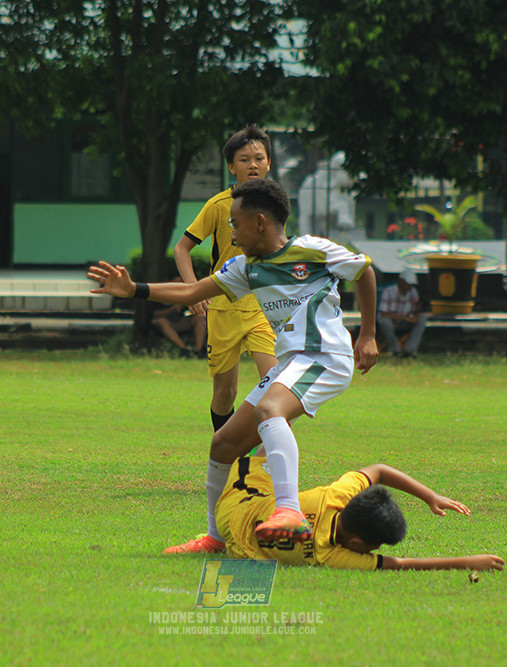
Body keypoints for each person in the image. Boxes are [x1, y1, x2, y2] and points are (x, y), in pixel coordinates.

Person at [89, 178, 379, 553]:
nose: (231, 232)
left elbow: (365, 271)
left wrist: (368, 334)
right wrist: (135, 290)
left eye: (235, 223)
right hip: (293, 362)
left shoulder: (312, 250)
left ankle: (288, 511)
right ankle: (215, 536)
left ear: (260, 222)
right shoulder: (245, 268)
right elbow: (193, 292)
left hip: (325, 357)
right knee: (223, 443)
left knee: (269, 410)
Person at [217, 453, 506, 572]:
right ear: (356, 543)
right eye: (374, 546)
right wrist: (466, 561)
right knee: (269, 431)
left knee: (273, 433)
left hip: (240, 504)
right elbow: (400, 564)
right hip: (237, 531)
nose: (374, 550)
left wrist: (430, 496)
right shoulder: (327, 553)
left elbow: (378, 470)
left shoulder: (337, 496)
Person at [173, 125, 277, 434]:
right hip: (223, 310)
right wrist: (193, 291)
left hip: (264, 308)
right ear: (231, 167)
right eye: (244, 159)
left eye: (259, 158)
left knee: (274, 385)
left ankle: (264, 460)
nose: (253, 165)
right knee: (224, 394)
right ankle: (225, 456)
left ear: (269, 163)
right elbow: (182, 249)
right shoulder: (218, 206)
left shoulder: (276, 204)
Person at [375, 270, 428, 358]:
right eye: (407, 284)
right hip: (392, 323)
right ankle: (395, 350)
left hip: (405, 323)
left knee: (422, 319)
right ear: (401, 281)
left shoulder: (413, 292)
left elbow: (414, 311)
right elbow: (383, 313)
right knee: (384, 321)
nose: (409, 287)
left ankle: (410, 350)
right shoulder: (388, 291)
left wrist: (416, 313)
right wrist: (406, 319)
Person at [151, 279, 207, 357]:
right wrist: (172, 309)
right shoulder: (160, 293)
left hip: (181, 320)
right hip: (166, 323)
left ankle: (198, 350)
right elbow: (155, 313)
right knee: (161, 322)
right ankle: (184, 349)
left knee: (200, 317)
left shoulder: (184, 292)